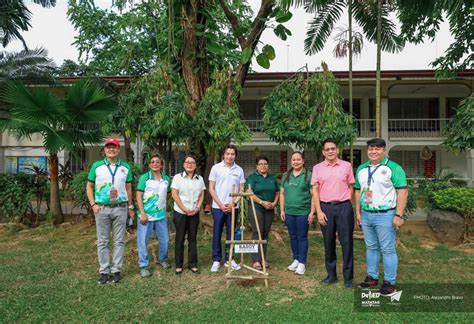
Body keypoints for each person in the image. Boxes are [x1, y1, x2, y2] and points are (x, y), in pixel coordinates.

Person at [355, 138, 408, 296]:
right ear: (367, 151)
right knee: (371, 247)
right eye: (371, 148)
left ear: (384, 151)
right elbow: (358, 191)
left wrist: (398, 215)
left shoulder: (393, 168)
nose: (373, 151)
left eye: (377, 148)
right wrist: (358, 213)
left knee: (387, 249)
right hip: (366, 215)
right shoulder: (362, 169)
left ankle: (389, 282)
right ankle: (372, 277)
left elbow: (402, 192)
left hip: (386, 215)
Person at [86, 138, 135, 284]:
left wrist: (130, 206)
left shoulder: (125, 167)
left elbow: (128, 188)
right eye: (109, 147)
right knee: (103, 241)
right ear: (105, 150)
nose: (111, 150)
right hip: (102, 208)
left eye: (114, 147)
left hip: (120, 208)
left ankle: (117, 270)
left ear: (118, 150)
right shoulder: (97, 166)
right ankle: (104, 271)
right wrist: (93, 204)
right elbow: (89, 186)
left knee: (119, 240)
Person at [312, 139, 355, 288]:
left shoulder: (346, 166)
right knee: (328, 242)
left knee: (347, 243)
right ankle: (331, 275)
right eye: (327, 149)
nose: (330, 151)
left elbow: (351, 187)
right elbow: (315, 191)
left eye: (333, 148)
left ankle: (348, 278)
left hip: (344, 207)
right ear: (323, 152)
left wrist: (351, 207)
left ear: (337, 150)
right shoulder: (317, 168)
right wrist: (318, 211)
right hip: (326, 208)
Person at [208, 144, 245, 272]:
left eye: (232, 154)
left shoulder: (239, 170)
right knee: (217, 234)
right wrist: (220, 204)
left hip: (233, 208)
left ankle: (230, 259)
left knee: (231, 235)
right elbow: (211, 188)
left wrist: (233, 203)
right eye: (227, 153)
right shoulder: (216, 168)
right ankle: (216, 260)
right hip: (218, 207)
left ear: (235, 156)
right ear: (224, 154)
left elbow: (241, 189)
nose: (230, 156)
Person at [136, 154, 171, 278]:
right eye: (152, 162)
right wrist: (142, 213)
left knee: (165, 240)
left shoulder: (166, 179)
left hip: (161, 216)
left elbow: (168, 195)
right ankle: (143, 266)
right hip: (146, 217)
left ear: (161, 164)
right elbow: (138, 196)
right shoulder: (145, 178)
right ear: (149, 165)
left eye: (158, 162)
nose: (155, 164)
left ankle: (162, 259)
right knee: (142, 241)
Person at [280, 151, 315, 275]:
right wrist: (282, 210)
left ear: (303, 161)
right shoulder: (286, 175)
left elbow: (314, 196)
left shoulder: (309, 175)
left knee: (302, 237)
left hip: (303, 212)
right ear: (291, 161)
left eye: (298, 159)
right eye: (293, 159)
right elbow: (282, 193)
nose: (296, 162)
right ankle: (295, 259)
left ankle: (302, 263)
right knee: (293, 237)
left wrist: (312, 212)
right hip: (289, 212)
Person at [171, 154, 206, 275]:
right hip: (180, 213)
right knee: (179, 238)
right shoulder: (177, 177)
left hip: (194, 213)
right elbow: (174, 194)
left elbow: (202, 194)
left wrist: (197, 208)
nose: (190, 164)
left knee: (192, 239)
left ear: (195, 165)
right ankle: (179, 265)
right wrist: (185, 209)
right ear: (184, 164)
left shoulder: (199, 179)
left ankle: (193, 264)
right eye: (187, 162)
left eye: (192, 162)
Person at [246, 156, 279, 270]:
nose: (263, 166)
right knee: (257, 232)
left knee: (265, 233)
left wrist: (274, 203)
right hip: (256, 207)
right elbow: (250, 193)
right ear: (257, 166)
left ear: (268, 165)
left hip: (269, 208)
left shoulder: (272, 178)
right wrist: (262, 202)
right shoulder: (252, 177)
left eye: (265, 163)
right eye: (260, 164)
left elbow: (277, 191)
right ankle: (256, 260)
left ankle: (263, 258)